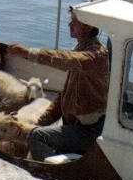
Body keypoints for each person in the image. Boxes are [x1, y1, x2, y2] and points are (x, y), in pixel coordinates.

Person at [6, 9, 109, 161]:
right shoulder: (82, 52)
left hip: (89, 131)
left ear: (87, 27)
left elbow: (67, 59)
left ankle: (46, 174)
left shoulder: (96, 56)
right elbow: (63, 99)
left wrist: (29, 53)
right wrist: (39, 123)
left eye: (74, 22)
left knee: (37, 137)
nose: (69, 25)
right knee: (36, 132)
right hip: (75, 127)